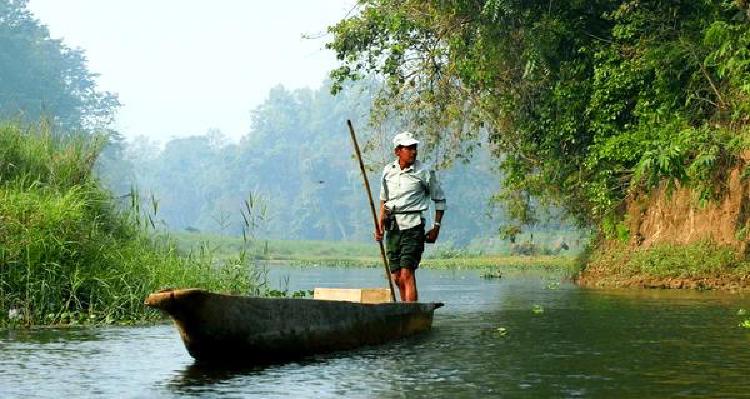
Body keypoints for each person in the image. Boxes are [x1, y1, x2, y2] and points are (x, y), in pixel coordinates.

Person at [374, 131, 446, 302]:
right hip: (392, 227)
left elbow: (440, 200)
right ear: (397, 151)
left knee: (407, 273)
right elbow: (383, 201)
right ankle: (405, 308)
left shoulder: (424, 172)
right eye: (409, 148)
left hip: (413, 227)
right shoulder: (388, 171)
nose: (413, 152)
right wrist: (379, 227)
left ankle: (410, 313)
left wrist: (436, 227)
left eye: (415, 148)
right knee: (397, 276)